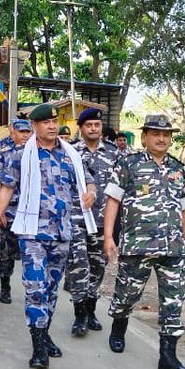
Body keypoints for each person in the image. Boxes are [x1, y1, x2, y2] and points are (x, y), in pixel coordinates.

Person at [0, 103, 94, 369]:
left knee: (51, 289)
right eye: (46, 122)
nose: (52, 126)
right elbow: (6, 191)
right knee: (35, 287)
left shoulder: (70, 154)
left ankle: (44, 335)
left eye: (54, 121)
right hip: (32, 232)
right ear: (34, 126)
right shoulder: (21, 156)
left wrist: (91, 192)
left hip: (62, 232)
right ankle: (38, 348)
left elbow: (87, 180)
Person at [102, 113, 185, 369]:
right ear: (144, 138)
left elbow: (183, 206)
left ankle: (168, 356)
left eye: (166, 135)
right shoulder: (128, 164)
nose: (161, 139)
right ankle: (119, 326)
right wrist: (108, 237)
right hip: (137, 245)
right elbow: (113, 201)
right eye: (155, 134)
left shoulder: (177, 168)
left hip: (172, 247)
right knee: (127, 295)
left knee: (173, 301)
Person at [67, 107, 122, 336]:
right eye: (88, 125)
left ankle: (91, 309)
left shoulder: (114, 153)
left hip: (103, 221)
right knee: (78, 265)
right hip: (77, 219)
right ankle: (79, 314)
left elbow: (120, 188)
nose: (93, 128)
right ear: (81, 128)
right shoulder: (70, 152)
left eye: (97, 125)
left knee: (98, 267)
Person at [0, 117, 32, 304]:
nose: (25, 135)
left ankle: (33, 289)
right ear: (13, 132)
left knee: (31, 251)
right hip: (11, 209)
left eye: (27, 132)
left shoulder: (36, 152)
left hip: (31, 212)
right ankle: (4, 284)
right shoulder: (4, 152)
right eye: (21, 132)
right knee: (7, 251)